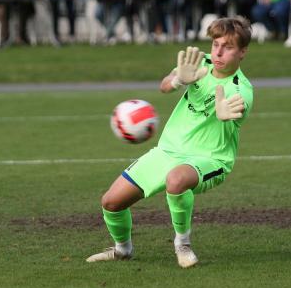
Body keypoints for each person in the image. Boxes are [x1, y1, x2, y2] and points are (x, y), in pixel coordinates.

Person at [86, 17, 254, 268]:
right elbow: (164, 87)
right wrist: (178, 80)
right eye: (216, 44)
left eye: (228, 47)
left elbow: (237, 111)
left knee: (175, 180)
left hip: (210, 158)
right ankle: (122, 250)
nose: (218, 52)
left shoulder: (242, 89)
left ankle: (182, 244)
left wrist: (226, 115)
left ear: (242, 52)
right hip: (167, 151)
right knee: (111, 202)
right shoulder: (199, 65)